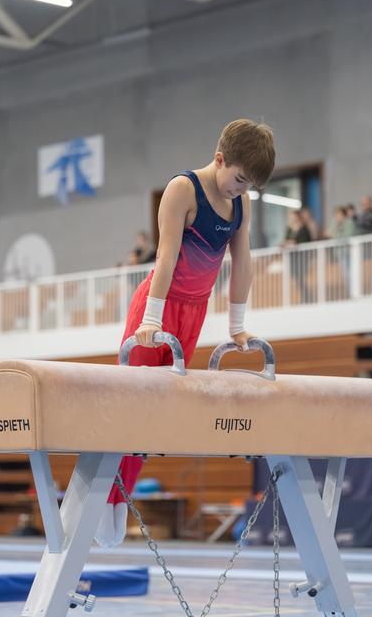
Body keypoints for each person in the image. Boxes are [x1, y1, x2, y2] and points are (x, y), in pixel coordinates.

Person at [94, 119, 276, 548]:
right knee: (130, 405)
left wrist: (236, 327)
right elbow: (166, 255)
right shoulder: (183, 190)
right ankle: (102, 496)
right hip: (155, 308)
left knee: (153, 413)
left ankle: (120, 496)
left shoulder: (241, 203)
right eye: (238, 179)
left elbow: (242, 262)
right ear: (219, 159)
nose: (239, 189)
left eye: (249, 185)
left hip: (193, 313)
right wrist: (150, 322)